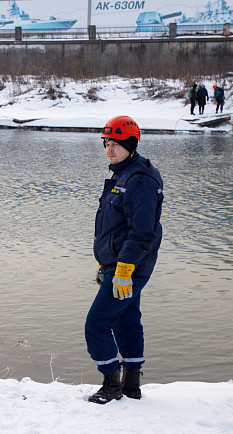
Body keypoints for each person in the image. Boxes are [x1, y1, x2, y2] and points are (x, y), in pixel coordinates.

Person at [86, 116, 164, 404]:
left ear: (130, 145)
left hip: (130, 267)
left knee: (96, 325)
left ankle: (111, 383)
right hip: (118, 265)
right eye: (106, 143)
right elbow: (115, 228)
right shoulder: (122, 174)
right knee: (126, 320)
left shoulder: (139, 179)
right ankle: (131, 384)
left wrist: (123, 270)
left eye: (115, 144)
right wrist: (104, 265)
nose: (109, 149)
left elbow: (143, 232)